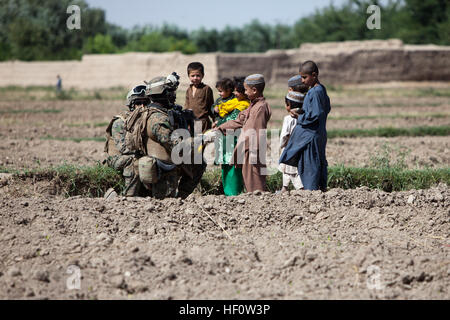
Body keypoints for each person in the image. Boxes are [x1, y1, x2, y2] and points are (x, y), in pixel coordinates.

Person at [123, 73, 184, 199]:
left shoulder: (145, 112)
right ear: (163, 94)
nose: (173, 95)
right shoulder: (158, 118)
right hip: (162, 167)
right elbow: (176, 147)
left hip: (146, 162)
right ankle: (181, 198)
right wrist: (201, 140)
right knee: (198, 163)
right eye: (170, 92)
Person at [214, 74, 271, 193]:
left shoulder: (261, 107)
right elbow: (239, 120)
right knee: (248, 179)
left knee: (255, 182)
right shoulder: (253, 105)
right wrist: (221, 128)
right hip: (247, 150)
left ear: (254, 90)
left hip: (252, 150)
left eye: (246, 89)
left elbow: (255, 131)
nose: (243, 92)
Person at [279, 61, 331, 191]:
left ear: (314, 75)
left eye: (304, 77)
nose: (302, 81)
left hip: (311, 135)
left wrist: (299, 116)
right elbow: (324, 109)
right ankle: (319, 189)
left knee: (310, 165)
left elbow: (315, 115)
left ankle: (312, 191)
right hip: (318, 133)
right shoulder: (321, 89)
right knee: (317, 163)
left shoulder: (314, 92)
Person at [104, 84, 150, 197]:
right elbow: (124, 148)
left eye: (146, 103)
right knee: (133, 161)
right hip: (117, 158)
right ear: (131, 104)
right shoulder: (120, 122)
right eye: (138, 103)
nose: (142, 106)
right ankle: (128, 197)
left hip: (137, 154)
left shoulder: (147, 121)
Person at [213, 77, 250, 196]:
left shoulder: (244, 105)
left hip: (233, 139)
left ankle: (233, 194)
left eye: (237, 91)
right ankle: (228, 192)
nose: (235, 93)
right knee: (225, 166)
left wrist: (218, 124)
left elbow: (231, 120)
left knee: (233, 167)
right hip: (226, 138)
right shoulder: (232, 102)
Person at [278, 91, 306, 193]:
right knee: (288, 169)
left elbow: (284, 135)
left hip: (288, 147)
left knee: (291, 170)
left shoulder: (288, 119)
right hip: (298, 146)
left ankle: (300, 189)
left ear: (288, 105)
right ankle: (284, 188)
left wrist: (281, 145)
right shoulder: (303, 118)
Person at [184, 62, 214, 133]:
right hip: (191, 123)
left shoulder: (206, 89)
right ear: (188, 76)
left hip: (203, 123)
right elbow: (186, 106)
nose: (195, 78)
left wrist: (215, 120)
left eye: (198, 75)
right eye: (192, 75)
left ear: (202, 75)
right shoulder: (189, 89)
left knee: (203, 142)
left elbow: (211, 106)